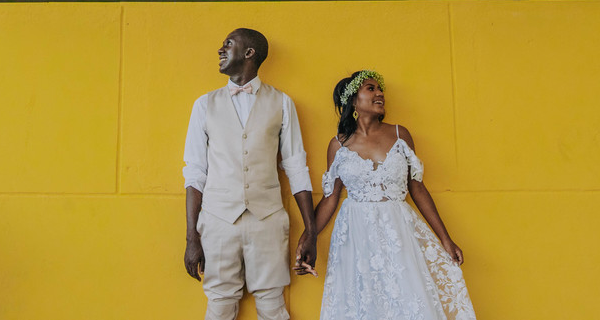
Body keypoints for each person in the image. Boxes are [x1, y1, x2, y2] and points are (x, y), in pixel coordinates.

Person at [301, 70, 476, 320]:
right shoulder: (338, 145)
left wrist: (445, 238)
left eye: (380, 89)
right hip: (355, 235)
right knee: (363, 304)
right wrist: (307, 238)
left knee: (407, 299)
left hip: (397, 231)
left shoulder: (399, 135)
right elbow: (330, 198)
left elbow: (417, 188)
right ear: (353, 100)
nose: (380, 93)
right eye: (371, 88)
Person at [183, 28, 317, 320]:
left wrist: (311, 230)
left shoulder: (282, 102)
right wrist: (192, 237)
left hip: (267, 219)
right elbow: (195, 173)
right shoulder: (204, 104)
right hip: (218, 220)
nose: (220, 49)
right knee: (219, 305)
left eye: (228, 44)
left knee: (272, 306)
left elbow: (296, 166)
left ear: (249, 53)